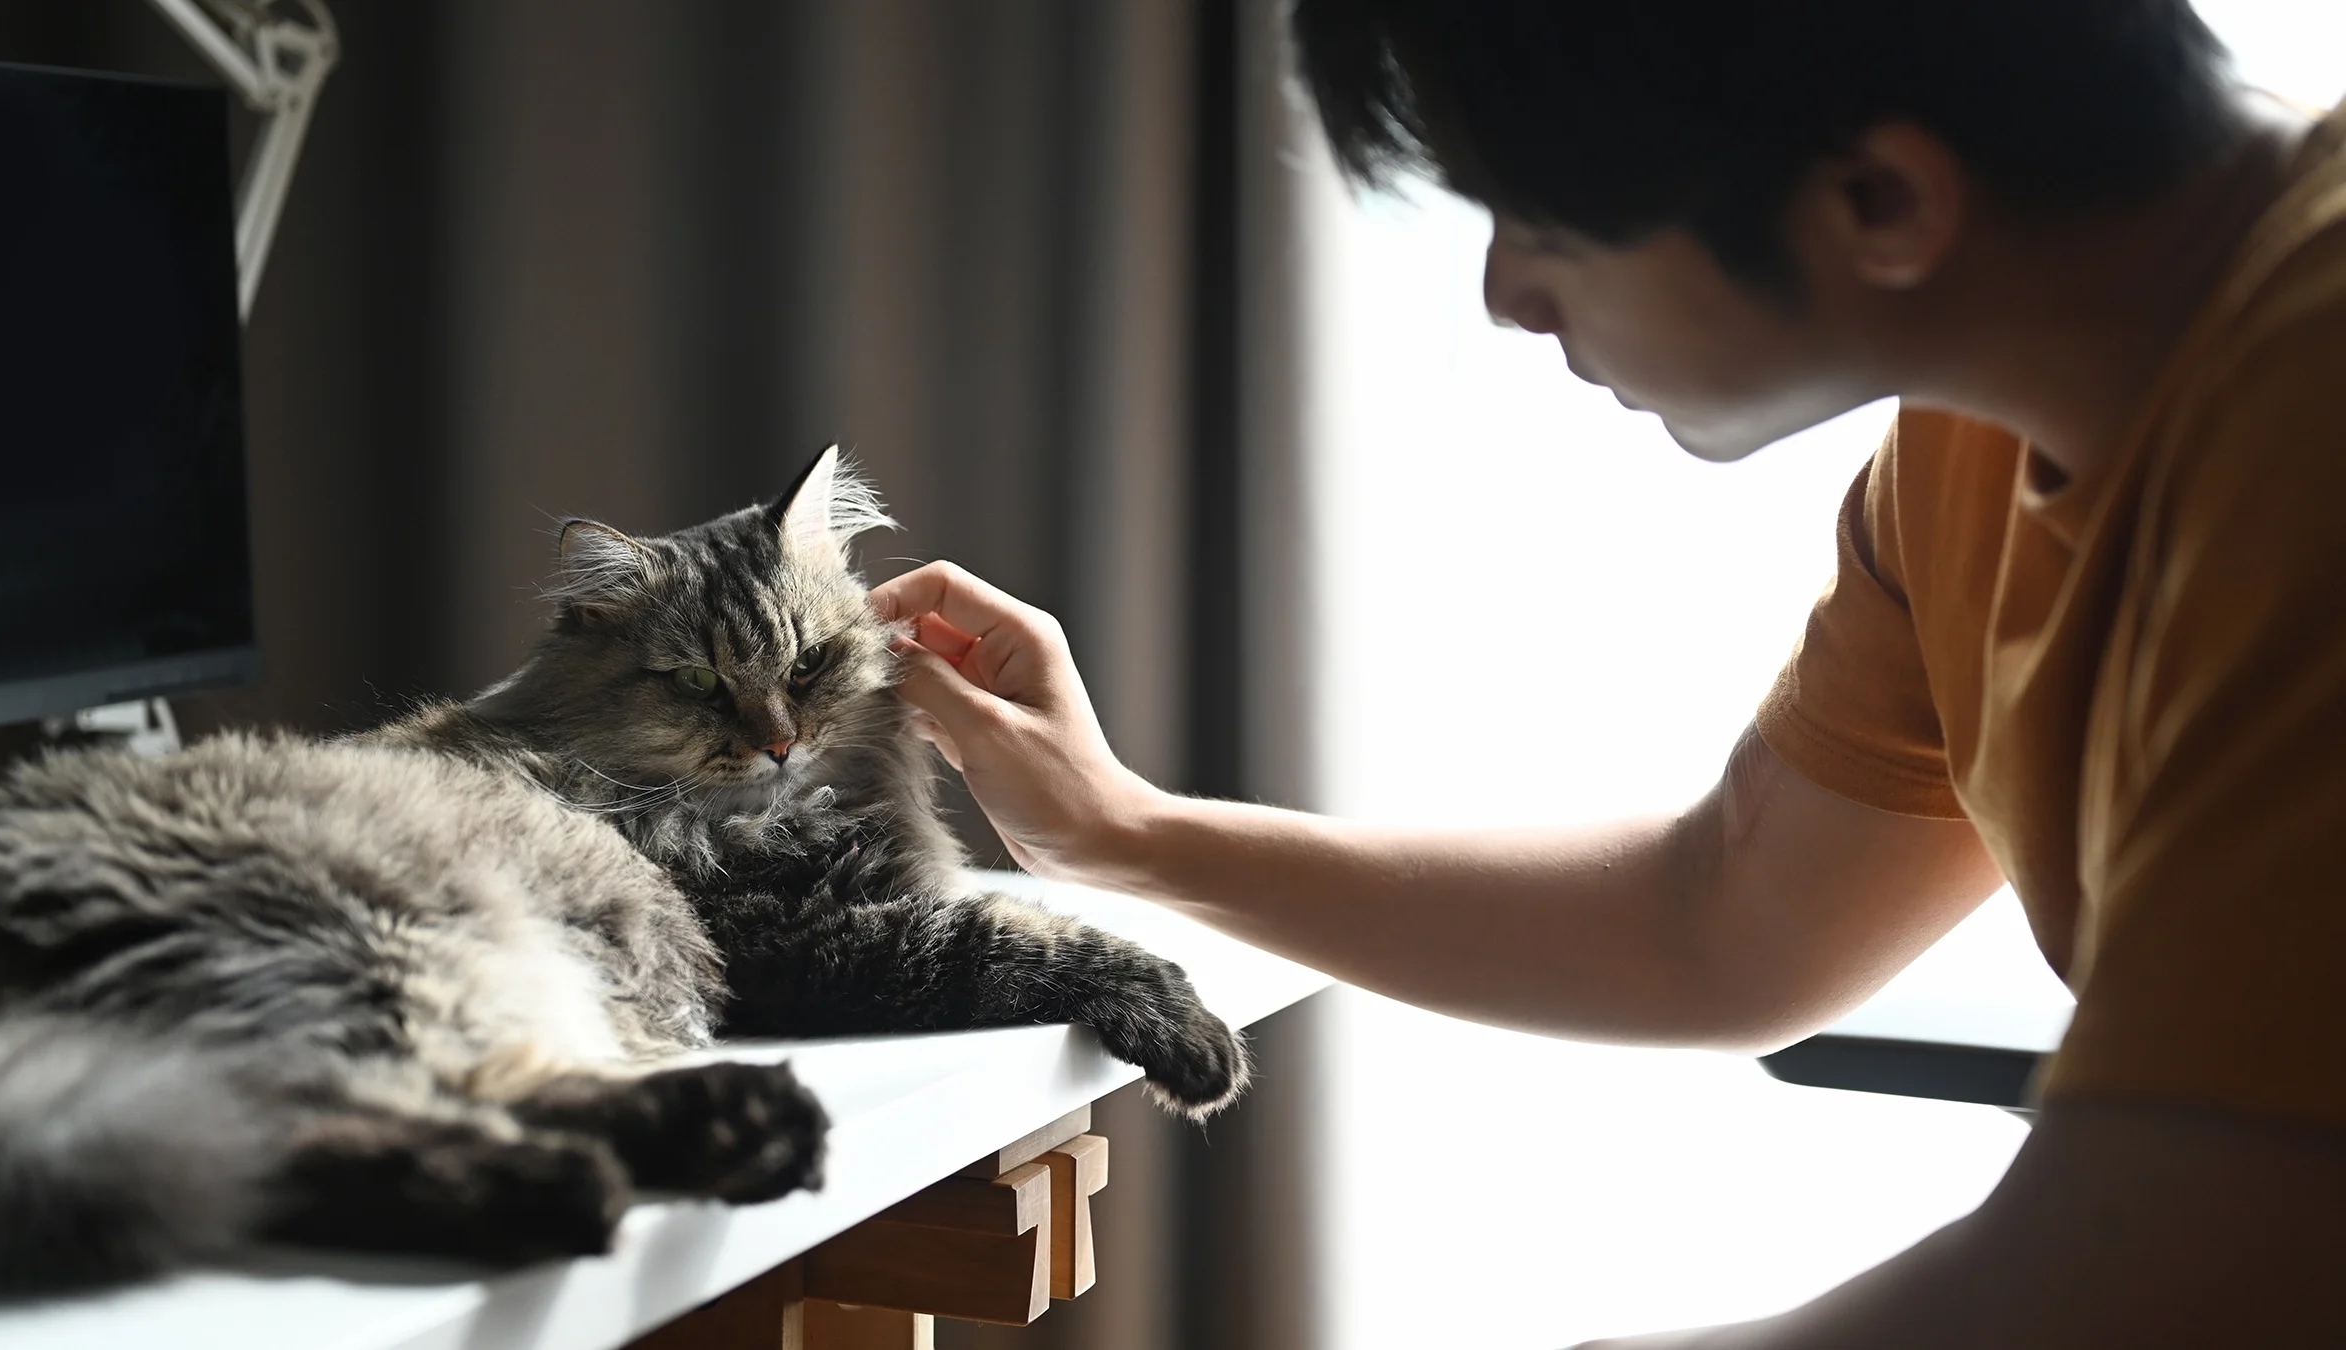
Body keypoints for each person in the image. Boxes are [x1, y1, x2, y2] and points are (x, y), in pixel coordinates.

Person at [870, 1, 2346, 1343]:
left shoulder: (2311, 414)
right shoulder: (1970, 441)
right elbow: (1726, 917)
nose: (1509, 291)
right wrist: (1120, 831)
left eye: (1542, 217)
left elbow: (2161, 1268)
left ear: (1880, 201)